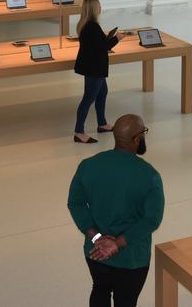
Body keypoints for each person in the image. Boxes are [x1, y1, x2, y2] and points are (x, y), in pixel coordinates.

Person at [67, 114, 164, 307]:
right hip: (132, 258)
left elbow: (75, 203)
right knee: (126, 300)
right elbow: (151, 219)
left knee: (99, 289)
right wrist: (117, 243)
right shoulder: (149, 175)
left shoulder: (88, 165)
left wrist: (96, 238)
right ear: (137, 139)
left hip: (95, 253)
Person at [73, 0, 120, 144]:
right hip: (94, 68)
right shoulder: (92, 27)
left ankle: (102, 124)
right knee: (88, 98)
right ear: (94, 8)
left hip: (94, 67)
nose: (101, 7)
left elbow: (97, 44)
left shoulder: (87, 25)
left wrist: (107, 38)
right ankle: (79, 131)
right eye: (99, 5)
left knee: (102, 93)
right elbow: (103, 48)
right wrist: (118, 38)